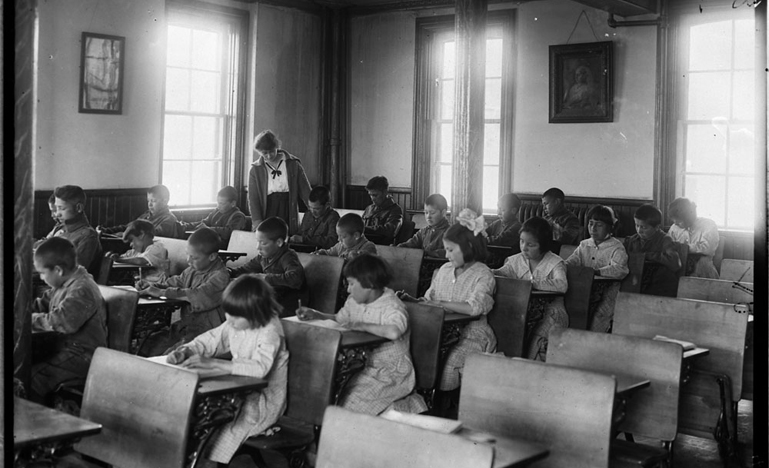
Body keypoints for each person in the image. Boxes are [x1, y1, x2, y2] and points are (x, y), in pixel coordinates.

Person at [165, 275, 288, 465]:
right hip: (241, 390)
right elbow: (212, 339)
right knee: (197, 419)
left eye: (235, 317)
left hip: (263, 401)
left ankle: (209, 462)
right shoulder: (238, 322)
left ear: (255, 312)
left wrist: (215, 364)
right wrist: (187, 350)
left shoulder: (270, 330)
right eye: (228, 314)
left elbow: (260, 369)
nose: (229, 321)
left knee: (218, 429)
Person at [297, 254, 426, 415]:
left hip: (390, 372)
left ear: (369, 284)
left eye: (351, 284)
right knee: (326, 390)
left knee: (350, 401)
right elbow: (340, 320)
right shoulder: (353, 301)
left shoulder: (392, 306)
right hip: (359, 365)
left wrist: (362, 325)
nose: (348, 289)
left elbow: (394, 331)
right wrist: (317, 314)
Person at [403, 209, 496, 393]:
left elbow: (474, 308)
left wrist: (440, 305)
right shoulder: (444, 269)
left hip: (472, 336)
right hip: (439, 332)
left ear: (469, 246)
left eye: (451, 250)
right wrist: (412, 301)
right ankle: (424, 399)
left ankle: (444, 406)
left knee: (448, 363)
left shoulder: (483, 274)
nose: (447, 256)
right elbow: (429, 300)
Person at [30, 237, 107, 404]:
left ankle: (38, 424)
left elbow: (63, 321)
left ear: (58, 270)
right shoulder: (63, 284)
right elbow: (41, 304)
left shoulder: (82, 288)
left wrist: (27, 321)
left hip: (81, 355)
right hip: (62, 348)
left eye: (42, 273)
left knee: (30, 378)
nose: (42, 278)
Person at [138, 227, 230, 356]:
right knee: (150, 344)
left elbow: (197, 295)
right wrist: (152, 286)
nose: (188, 260)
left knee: (170, 355)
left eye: (194, 257)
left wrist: (161, 293)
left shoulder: (221, 277)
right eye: (187, 254)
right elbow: (175, 282)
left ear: (212, 256)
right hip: (186, 325)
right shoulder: (192, 270)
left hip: (207, 332)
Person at [492, 217, 568, 361]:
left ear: (543, 245)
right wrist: (488, 272)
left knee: (534, 340)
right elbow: (502, 272)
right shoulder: (516, 260)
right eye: (521, 241)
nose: (524, 248)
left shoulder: (555, 262)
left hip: (551, 313)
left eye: (531, 244)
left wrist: (530, 284)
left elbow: (561, 285)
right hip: (520, 311)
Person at [565, 205, 629, 333]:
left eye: (599, 225)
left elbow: (620, 269)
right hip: (584, 290)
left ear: (610, 227)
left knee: (600, 315)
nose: (593, 228)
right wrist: (562, 265)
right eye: (591, 223)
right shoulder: (584, 244)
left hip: (607, 293)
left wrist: (596, 272)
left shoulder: (616, 247)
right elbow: (573, 261)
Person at [229, 217, 307, 317]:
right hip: (273, 299)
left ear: (279, 242)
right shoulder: (263, 257)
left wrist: (265, 278)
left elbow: (295, 278)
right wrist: (229, 272)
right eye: (257, 242)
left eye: (263, 243)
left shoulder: (288, 257)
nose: (258, 247)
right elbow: (245, 269)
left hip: (289, 305)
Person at [247, 130, 312, 236]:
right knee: (269, 238)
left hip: (288, 208)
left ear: (277, 147)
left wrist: (315, 211)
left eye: (271, 151)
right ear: (259, 152)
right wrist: (257, 222)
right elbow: (253, 199)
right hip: (268, 209)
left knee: (287, 238)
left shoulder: (293, 164)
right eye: (264, 153)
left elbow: (306, 191)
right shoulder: (255, 170)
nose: (269, 156)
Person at [623, 204, 682, 297]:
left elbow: (675, 263)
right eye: (637, 225)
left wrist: (647, 256)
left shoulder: (665, 240)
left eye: (644, 227)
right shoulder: (632, 240)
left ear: (657, 227)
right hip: (636, 282)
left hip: (659, 285)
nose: (639, 230)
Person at [49, 185, 102, 275]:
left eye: (62, 208)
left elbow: (74, 272)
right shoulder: (61, 229)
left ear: (78, 208)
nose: (57, 214)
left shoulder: (88, 236)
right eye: (57, 208)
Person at [99, 185, 179, 238]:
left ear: (165, 201)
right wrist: (106, 231)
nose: (150, 204)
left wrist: (124, 234)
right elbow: (129, 226)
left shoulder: (169, 219)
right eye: (148, 201)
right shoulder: (146, 215)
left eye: (153, 201)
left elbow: (151, 235)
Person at [667, 197, 720, 279]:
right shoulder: (675, 228)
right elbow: (668, 245)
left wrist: (683, 248)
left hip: (702, 268)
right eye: (674, 220)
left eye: (679, 220)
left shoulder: (708, 225)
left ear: (689, 217)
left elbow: (707, 248)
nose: (676, 223)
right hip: (679, 266)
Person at [181, 186, 246, 249]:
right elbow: (204, 222)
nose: (218, 206)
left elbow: (229, 232)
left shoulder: (238, 216)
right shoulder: (217, 212)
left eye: (222, 203)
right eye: (217, 203)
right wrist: (187, 226)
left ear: (233, 204)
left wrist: (208, 229)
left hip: (225, 249)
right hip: (211, 245)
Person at [109, 219, 169, 283]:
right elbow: (124, 256)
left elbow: (141, 261)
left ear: (141, 234)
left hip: (156, 286)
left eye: (131, 240)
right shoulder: (137, 251)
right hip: (142, 284)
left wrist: (119, 259)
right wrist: (115, 257)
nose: (131, 244)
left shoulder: (158, 248)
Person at [397, 193, 450, 258]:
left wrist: (429, 253)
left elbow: (449, 252)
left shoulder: (450, 232)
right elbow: (411, 244)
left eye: (432, 213)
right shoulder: (423, 231)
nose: (428, 216)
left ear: (443, 213)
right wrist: (398, 247)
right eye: (426, 212)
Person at [289, 185, 340, 250]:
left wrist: (304, 239)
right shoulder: (308, 213)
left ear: (327, 205)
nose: (313, 212)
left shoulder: (333, 217)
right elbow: (300, 233)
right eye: (310, 207)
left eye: (317, 209)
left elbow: (332, 241)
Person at [362, 176, 403, 245]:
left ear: (385, 192)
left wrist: (363, 228)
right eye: (370, 195)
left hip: (384, 248)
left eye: (375, 195)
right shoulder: (369, 208)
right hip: (365, 245)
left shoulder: (395, 210)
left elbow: (390, 231)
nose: (372, 198)